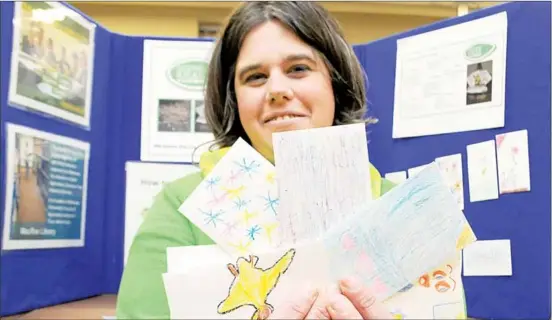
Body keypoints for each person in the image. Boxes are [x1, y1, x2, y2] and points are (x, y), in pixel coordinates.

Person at [116, 2, 396, 319]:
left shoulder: (396, 203)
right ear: (233, 100)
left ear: (335, 82)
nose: (277, 89)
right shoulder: (181, 205)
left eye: (298, 69)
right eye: (255, 77)